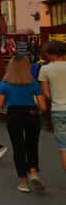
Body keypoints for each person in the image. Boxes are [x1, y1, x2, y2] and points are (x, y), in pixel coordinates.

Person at [0, 55, 47, 192]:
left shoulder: (5, 83)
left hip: (13, 115)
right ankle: (34, 172)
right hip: (31, 114)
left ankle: (23, 182)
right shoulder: (33, 83)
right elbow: (43, 107)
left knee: (18, 147)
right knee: (32, 145)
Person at [38, 40, 66, 173]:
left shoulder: (45, 69)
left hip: (58, 109)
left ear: (50, 54)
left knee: (64, 146)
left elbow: (46, 93)